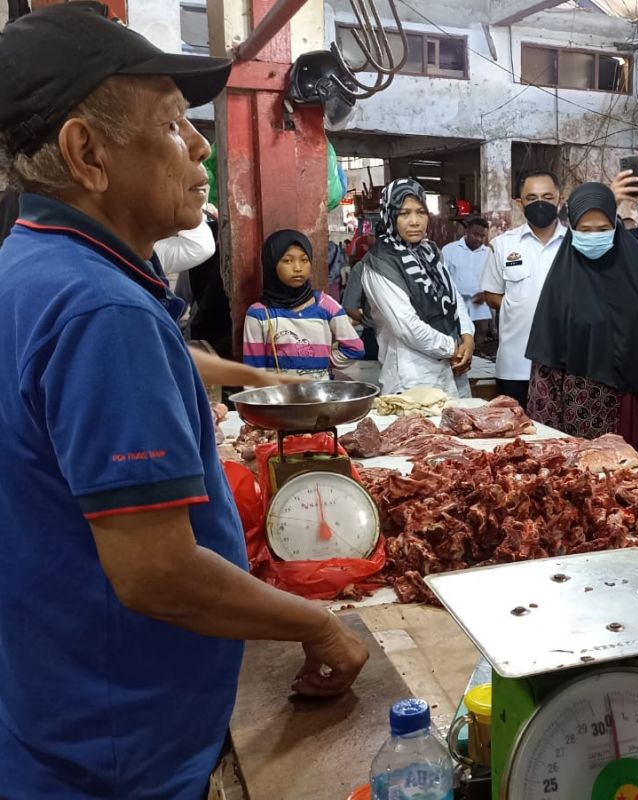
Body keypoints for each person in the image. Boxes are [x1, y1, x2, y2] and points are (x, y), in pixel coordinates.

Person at [0, 6, 368, 797]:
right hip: (122, 753)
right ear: (86, 153)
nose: (201, 145)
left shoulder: (33, 269)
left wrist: (256, 380)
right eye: (173, 124)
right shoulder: (103, 312)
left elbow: (144, 374)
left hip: (55, 714)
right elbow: (157, 574)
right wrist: (316, 624)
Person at [526, 183, 638, 461]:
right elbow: (547, 359)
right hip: (581, 403)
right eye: (585, 229)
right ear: (572, 230)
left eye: (603, 229)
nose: (594, 236)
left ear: (616, 225)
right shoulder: (561, 282)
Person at [361, 178, 474, 396]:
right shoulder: (380, 263)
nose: (415, 221)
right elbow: (407, 327)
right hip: (411, 376)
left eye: (421, 212)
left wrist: (467, 335)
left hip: (452, 368)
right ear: (389, 215)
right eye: (404, 213)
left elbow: (454, 295)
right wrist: (454, 348)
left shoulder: (430, 252)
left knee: (455, 427)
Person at [481, 170, 567, 409]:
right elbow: (491, 293)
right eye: (532, 198)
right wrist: (516, 306)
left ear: (560, 199)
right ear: (520, 203)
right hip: (515, 365)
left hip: (565, 365)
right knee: (515, 438)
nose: (540, 203)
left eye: (548, 197)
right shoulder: (503, 245)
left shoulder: (575, 244)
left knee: (560, 440)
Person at [242, 229, 364, 379]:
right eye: (287, 260)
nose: (298, 268)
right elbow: (254, 372)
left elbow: (355, 348)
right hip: (278, 400)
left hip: (320, 397)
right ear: (271, 264)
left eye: (304, 260)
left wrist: (321, 361)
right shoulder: (259, 314)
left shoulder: (325, 305)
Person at [443, 215, 494, 343]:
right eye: (475, 234)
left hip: (480, 309)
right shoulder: (450, 250)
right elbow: (442, 278)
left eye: (482, 236)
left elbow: (495, 279)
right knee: (458, 342)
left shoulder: (489, 253)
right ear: (466, 232)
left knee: (479, 342)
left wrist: (486, 294)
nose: (479, 239)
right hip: (456, 307)